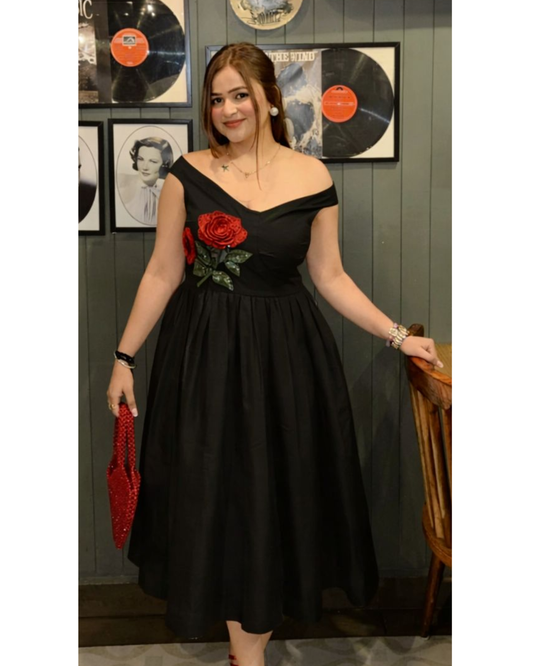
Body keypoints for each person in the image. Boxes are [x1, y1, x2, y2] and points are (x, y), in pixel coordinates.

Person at [107, 42, 443, 666]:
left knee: (273, 498)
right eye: (216, 99)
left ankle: (250, 649)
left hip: (287, 361)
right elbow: (162, 271)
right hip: (203, 359)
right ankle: (247, 653)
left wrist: (398, 335)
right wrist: (124, 359)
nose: (228, 109)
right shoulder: (187, 174)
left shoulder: (312, 177)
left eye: (240, 95)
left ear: (269, 98)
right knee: (218, 497)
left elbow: (330, 276)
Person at [119, 136, 174, 226]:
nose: (144, 167)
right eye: (140, 159)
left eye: (153, 161)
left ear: (165, 164)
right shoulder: (122, 184)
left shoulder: (171, 190)